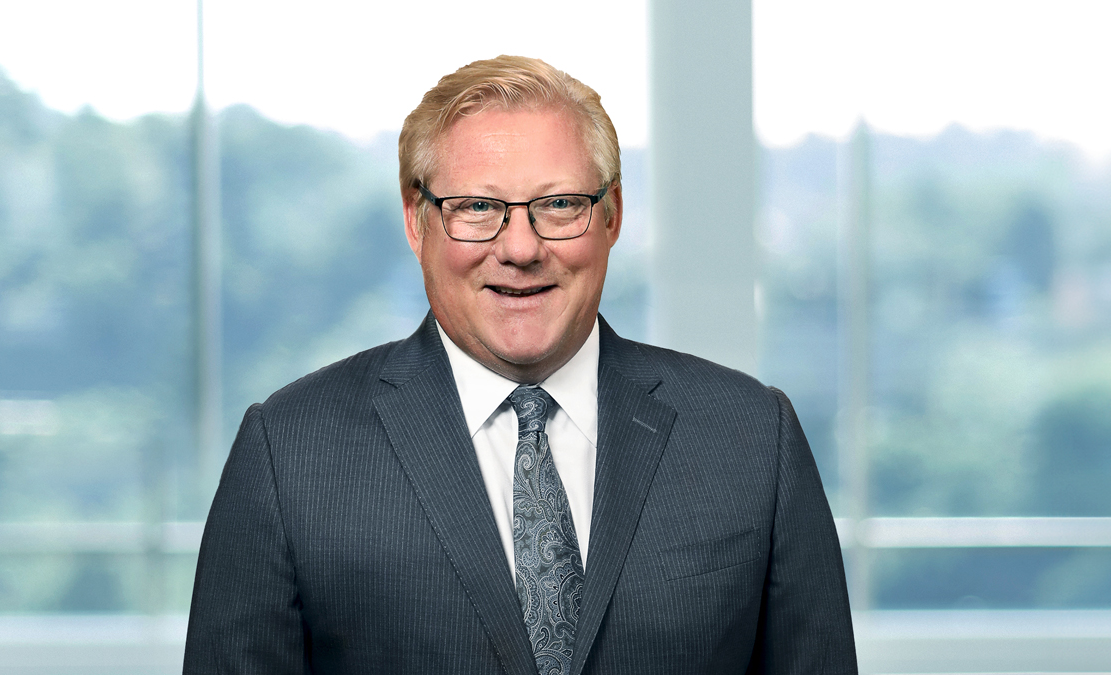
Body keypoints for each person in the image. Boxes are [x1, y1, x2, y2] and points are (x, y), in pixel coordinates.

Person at [184, 55, 856, 675]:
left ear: (612, 214)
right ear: (418, 222)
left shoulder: (751, 437)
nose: (522, 247)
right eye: (477, 207)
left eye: (559, 204)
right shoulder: (289, 452)